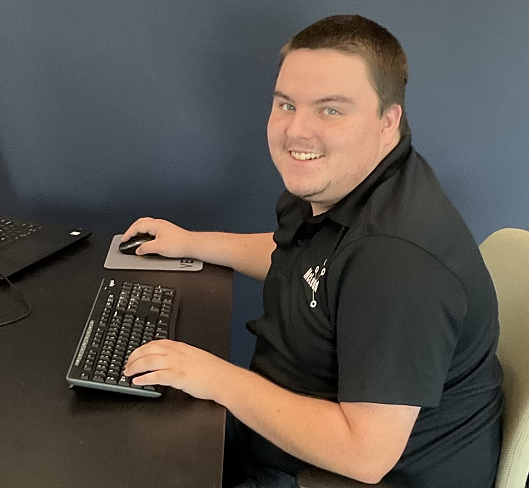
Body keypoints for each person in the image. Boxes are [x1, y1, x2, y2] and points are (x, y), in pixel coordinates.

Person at [121, 14, 503, 488]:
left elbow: (366, 455)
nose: (296, 131)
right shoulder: (337, 188)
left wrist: (217, 378)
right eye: (286, 104)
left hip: (335, 474)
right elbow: (303, 263)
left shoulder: (397, 262)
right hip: (280, 437)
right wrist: (192, 244)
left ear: (388, 122)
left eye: (330, 110)